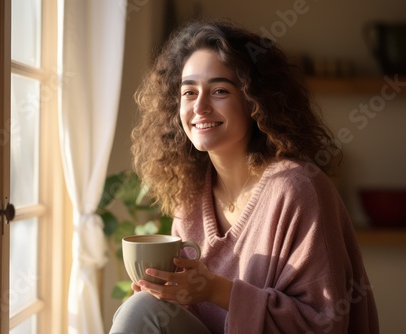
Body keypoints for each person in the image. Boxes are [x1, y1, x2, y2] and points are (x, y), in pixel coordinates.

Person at [109, 18, 379, 334]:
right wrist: (168, 296)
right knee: (142, 307)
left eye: (220, 90)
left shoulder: (298, 188)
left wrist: (214, 289)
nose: (200, 107)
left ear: (254, 101)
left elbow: (325, 323)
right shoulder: (191, 196)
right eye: (189, 92)